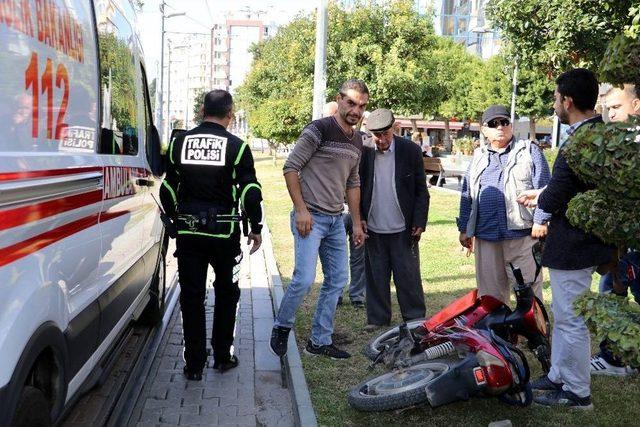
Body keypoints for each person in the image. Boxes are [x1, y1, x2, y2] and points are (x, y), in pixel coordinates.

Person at [517, 68, 614, 409]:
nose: (554, 104)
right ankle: (559, 374)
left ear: (567, 101)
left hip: (574, 245)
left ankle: (576, 391)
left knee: (570, 319)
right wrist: (542, 192)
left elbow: (560, 192)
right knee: (565, 316)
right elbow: (579, 185)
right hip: (585, 241)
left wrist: (541, 199)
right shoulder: (599, 135)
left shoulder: (580, 140)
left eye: (556, 98)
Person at [160, 90, 263, 380]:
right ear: (230, 114)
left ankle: (193, 364)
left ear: (202, 110)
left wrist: (172, 217)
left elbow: (168, 188)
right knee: (227, 293)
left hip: (189, 233)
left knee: (191, 297)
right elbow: (250, 192)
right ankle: (222, 356)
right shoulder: (238, 147)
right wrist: (256, 228)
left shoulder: (178, 143)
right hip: (225, 235)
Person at [269, 79, 368, 359]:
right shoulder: (319, 129)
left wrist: (357, 223)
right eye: (350, 102)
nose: (355, 110)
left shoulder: (357, 139)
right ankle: (282, 325)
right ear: (339, 100)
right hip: (310, 218)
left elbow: (353, 182)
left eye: (361, 106)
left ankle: (319, 340)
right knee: (303, 279)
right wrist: (300, 210)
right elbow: (291, 168)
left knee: (338, 279)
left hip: (337, 220)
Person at [456, 105, 551, 306]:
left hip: (522, 236)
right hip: (486, 236)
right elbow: (467, 196)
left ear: (511, 125)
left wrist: (541, 220)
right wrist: (464, 228)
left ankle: (536, 336)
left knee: (528, 291)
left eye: (504, 122)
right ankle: (499, 336)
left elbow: (545, 187)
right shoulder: (478, 157)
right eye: (493, 123)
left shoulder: (529, 151)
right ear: (484, 130)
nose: (500, 127)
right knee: (490, 295)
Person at [359, 108, 429, 329]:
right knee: (376, 276)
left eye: (385, 134)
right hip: (373, 226)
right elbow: (354, 188)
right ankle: (378, 318)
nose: (381, 140)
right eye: (376, 135)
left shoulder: (410, 150)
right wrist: (358, 218)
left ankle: (415, 317)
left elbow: (421, 190)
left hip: (404, 227)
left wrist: (419, 220)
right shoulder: (364, 152)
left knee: (408, 276)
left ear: (394, 128)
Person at [589, 82, 640, 377]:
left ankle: (614, 359)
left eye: (616, 107)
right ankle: (615, 357)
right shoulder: (615, 142)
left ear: (636, 105)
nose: (610, 113)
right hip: (622, 243)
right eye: (607, 108)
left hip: (631, 243)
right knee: (610, 291)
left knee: (611, 292)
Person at [322, 101, 366, 308]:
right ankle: (336, 293)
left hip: (355, 211)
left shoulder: (359, 143)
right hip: (332, 212)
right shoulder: (319, 141)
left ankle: (357, 295)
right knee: (333, 259)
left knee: (358, 256)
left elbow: (359, 179)